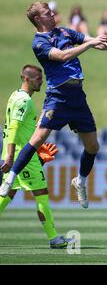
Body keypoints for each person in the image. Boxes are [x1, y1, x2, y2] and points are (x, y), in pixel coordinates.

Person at [0, 2, 107, 210]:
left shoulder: (65, 32)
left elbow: (94, 42)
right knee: (37, 139)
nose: (52, 14)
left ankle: (80, 180)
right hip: (58, 97)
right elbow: (63, 56)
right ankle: (9, 178)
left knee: (93, 147)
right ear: (38, 19)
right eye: (47, 13)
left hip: (77, 97)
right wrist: (90, 44)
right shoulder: (39, 42)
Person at [0, 65, 72, 248]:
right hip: (21, 155)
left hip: (17, 152)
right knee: (41, 194)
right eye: (38, 79)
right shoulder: (25, 101)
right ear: (26, 79)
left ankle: (54, 237)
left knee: (7, 194)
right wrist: (10, 157)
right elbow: (14, 128)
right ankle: (54, 238)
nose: (41, 81)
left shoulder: (14, 96)